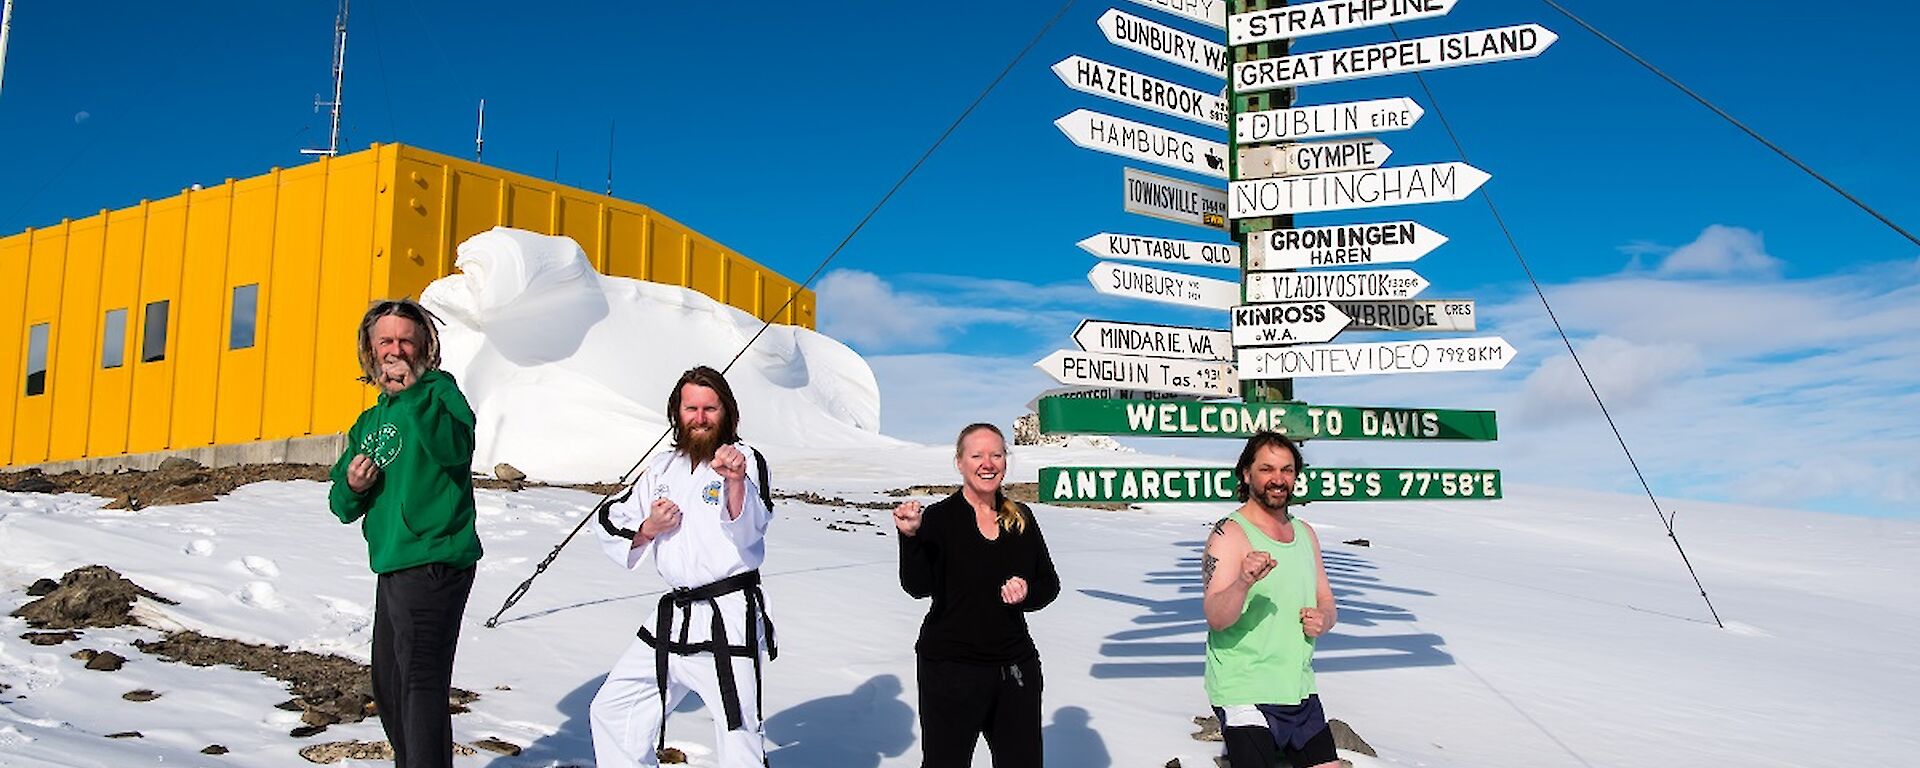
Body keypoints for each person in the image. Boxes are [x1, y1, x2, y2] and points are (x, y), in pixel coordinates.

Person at [591, 365, 776, 768]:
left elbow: (751, 530)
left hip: (728, 616)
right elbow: (611, 517)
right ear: (677, 412)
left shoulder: (745, 460)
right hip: (674, 616)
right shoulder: (661, 466)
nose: (701, 418)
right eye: (691, 408)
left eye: (710, 408)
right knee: (613, 708)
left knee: (738, 732)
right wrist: (648, 528)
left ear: (727, 411)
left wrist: (736, 483)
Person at [327, 298, 483, 768]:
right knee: (390, 687)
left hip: (437, 557)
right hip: (393, 562)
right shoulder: (369, 422)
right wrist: (354, 486)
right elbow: (340, 505)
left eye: (405, 340)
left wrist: (415, 395)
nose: (396, 351)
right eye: (386, 341)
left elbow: (456, 449)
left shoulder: (439, 392)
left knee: (419, 684)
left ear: (424, 346)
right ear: (370, 351)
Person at [893, 423, 1061, 768]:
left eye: (996, 454)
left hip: (1014, 668)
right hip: (950, 670)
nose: (988, 463)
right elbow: (917, 586)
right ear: (960, 463)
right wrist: (910, 538)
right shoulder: (939, 518)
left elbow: (1049, 584)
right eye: (977, 455)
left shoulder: (1020, 518)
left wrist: (1027, 592)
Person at [1201, 431, 1340, 768]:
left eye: (1287, 470)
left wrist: (1324, 618)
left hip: (1298, 688)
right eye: (1267, 469)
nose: (1278, 480)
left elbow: (1326, 599)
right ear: (1247, 474)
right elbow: (1216, 617)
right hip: (1245, 690)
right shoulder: (1228, 535)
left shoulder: (1305, 533)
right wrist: (1243, 582)